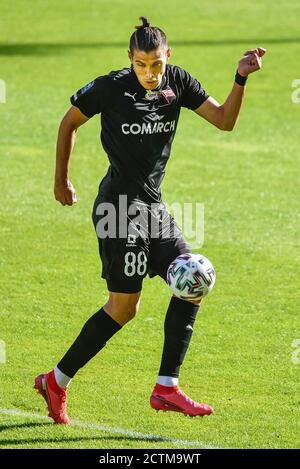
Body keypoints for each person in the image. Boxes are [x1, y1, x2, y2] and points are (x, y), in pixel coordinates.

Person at [34, 17, 266, 424]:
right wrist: (61, 180)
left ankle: (167, 387)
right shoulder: (110, 86)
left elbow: (224, 121)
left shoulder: (178, 82)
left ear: (168, 57)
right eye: (141, 64)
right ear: (130, 60)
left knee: (193, 279)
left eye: (156, 64)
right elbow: (69, 122)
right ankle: (55, 381)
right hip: (117, 210)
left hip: (153, 208)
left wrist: (240, 78)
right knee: (124, 308)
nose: (149, 73)